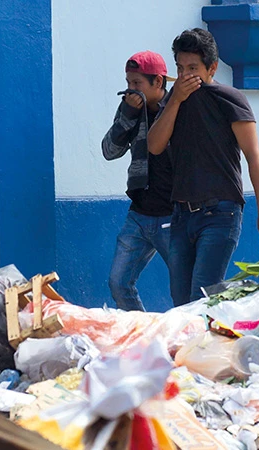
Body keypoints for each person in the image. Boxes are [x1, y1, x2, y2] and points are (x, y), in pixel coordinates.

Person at [147, 28, 259, 307]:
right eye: (181, 68)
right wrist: (176, 100)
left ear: (212, 67)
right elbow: (155, 145)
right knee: (181, 302)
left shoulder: (229, 99)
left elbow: (253, 156)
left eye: (193, 68)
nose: (185, 76)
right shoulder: (173, 99)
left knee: (201, 300)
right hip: (181, 215)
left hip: (220, 213)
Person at [101, 51, 175, 311]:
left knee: (185, 286)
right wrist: (128, 116)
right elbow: (109, 151)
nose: (130, 89)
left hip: (173, 214)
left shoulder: (178, 107)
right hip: (139, 213)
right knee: (118, 282)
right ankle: (143, 340)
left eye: (137, 83)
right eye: (128, 82)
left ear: (158, 82)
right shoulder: (129, 108)